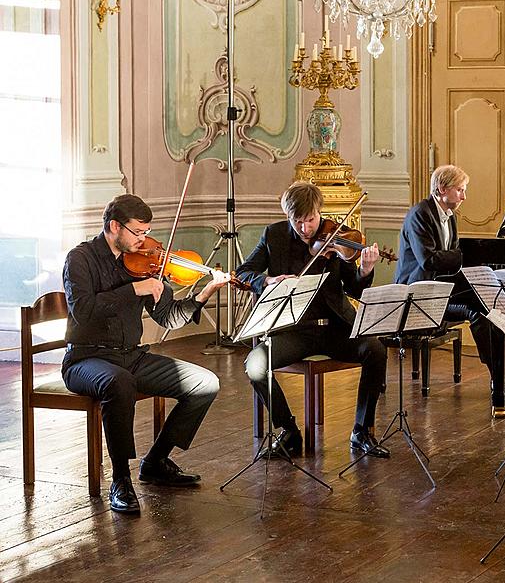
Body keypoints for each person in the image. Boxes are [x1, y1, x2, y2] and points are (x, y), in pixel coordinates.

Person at [62, 194, 229, 514]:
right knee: (119, 382)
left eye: (146, 232)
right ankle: (121, 480)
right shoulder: (80, 258)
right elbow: (83, 311)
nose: (144, 241)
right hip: (86, 359)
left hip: (130, 356)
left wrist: (203, 294)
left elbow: (169, 318)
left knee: (204, 383)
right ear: (114, 226)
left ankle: (155, 461)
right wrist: (132, 290)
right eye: (137, 233)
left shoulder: (145, 265)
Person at [236, 182, 390, 460]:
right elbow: (244, 273)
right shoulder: (274, 235)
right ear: (288, 217)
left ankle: (361, 431)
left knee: (375, 350)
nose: (306, 228)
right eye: (298, 222)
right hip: (293, 331)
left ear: (319, 212)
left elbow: (355, 289)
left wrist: (366, 269)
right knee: (255, 364)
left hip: (335, 328)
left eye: (310, 220)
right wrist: (268, 280)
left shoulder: (337, 237)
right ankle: (289, 431)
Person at [393, 164, 505, 417]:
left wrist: (459, 259)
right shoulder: (420, 214)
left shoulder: (449, 216)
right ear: (441, 190)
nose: (464, 196)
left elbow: (446, 259)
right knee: (479, 313)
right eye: (460, 190)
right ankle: (500, 378)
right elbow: (428, 260)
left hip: (441, 288)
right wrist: (464, 257)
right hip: (419, 296)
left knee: (494, 304)